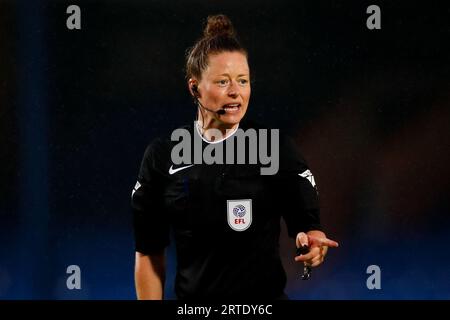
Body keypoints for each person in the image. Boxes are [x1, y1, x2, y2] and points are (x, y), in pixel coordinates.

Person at [131, 14, 338, 300]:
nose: (235, 93)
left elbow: (307, 224)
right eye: (222, 82)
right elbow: (149, 253)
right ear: (194, 88)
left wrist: (313, 241)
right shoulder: (162, 157)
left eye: (243, 81)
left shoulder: (274, 149)